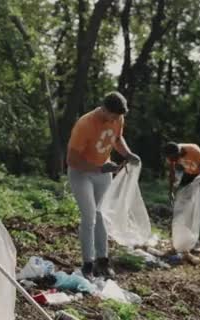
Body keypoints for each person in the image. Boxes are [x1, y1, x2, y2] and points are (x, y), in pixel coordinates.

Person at [66, 91, 140, 279]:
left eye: (119, 116)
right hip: (81, 173)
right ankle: (87, 264)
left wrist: (127, 154)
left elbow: (116, 139)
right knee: (89, 215)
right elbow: (72, 160)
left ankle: (102, 260)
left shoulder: (118, 118)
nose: (116, 119)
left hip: (102, 172)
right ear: (104, 109)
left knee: (101, 214)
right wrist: (100, 168)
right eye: (113, 115)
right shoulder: (85, 124)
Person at [164, 142, 200, 254]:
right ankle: (179, 234)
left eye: (175, 158)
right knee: (181, 201)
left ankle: (199, 240)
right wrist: (171, 191)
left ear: (179, 152)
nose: (174, 161)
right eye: (171, 159)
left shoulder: (194, 150)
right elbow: (172, 173)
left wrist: (199, 179)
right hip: (189, 172)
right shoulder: (171, 155)